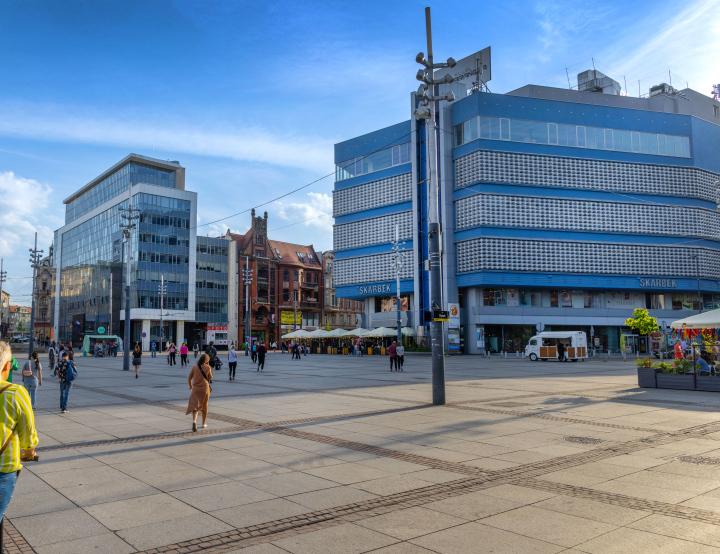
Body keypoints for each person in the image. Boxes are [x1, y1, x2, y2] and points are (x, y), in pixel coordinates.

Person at [0, 342, 39, 521]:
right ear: (7, 366)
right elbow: (27, 431)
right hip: (3, 468)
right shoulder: (14, 393)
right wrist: (29, 450)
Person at [187, 353, 213, 432]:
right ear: (207, 361)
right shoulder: (208, 367)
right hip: (205, 389)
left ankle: (194, 421)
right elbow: (210, 378)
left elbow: (189, 378)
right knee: (204, 406)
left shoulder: (194, 367)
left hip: (196, 389)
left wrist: (191, 386)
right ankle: (203, 423)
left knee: (195, 406)